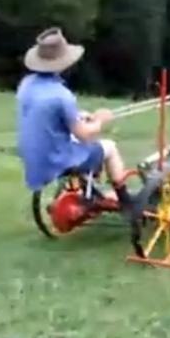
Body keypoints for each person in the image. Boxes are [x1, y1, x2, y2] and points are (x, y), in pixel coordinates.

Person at [16, 27, 132, 206]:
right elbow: (83, 134)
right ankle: (126, 201)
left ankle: (91, 188)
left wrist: (79, 116)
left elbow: (46, 114)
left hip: (33, 156)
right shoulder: (62, 96)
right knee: (109, 147)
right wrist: (99, 121)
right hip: (57, 158)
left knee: (83, 144)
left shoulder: (26, 84)